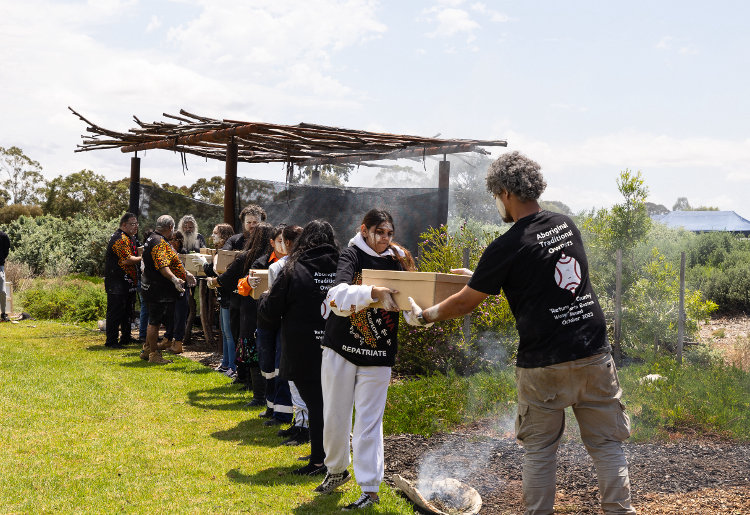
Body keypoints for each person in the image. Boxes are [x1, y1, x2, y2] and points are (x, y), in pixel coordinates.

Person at [405, 151, 635, 515]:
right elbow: (544, 279)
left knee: (540, 450)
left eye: (496, 195)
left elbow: (466, 304)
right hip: (594, 353)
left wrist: (425, 316)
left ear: (505, 193)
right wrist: (483, 280)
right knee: (608, 445)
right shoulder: (565, 225)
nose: (498, 202)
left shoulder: (506, 246)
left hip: (544, 364)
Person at [314, 208, 410, 511]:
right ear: (364, 229)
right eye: (379, 231)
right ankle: (337, 470)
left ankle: (370, 490)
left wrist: (426, 313)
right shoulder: (352, 254)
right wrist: (372, 292)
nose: (384, 238)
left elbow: (412, 301)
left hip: (379, 353)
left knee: (370, 423)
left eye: (388, 233)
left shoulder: (398, 259)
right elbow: (336, 295)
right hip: (341, 348)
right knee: (335, 416)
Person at [258, 220, 339, 476]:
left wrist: (263, 299)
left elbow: (271, 311)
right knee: (331, 404)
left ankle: (320, 461)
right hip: (339, 347)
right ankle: (327, 456)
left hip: (304, 348)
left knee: (316, 404)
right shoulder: (345, 266)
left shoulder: (294, 267)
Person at [140, 215, 196, 364]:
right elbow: (163, 267)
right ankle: (154, 354)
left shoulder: (153, 238)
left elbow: (172, 260)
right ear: (171, 227)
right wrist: (175, 279)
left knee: (153, 320)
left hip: (152, 287)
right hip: (157, 289)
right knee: (154, 322)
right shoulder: (158, 242)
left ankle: (147, 349)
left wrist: (185, 273)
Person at [204, 223, 237, 377]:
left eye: (215, 233)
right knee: (224, 332)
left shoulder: (229, 254)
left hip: (229, 297)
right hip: (223, 296)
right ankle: (225, 363)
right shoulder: (220, 252)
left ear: (224, 235)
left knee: (229, 333)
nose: (213, 236)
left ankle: (232, 366)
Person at [103, 213, 141, 347]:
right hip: (116, 282)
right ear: (124, 225)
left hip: (127, 282)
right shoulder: (120, 238)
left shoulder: (130, 237)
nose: (136, 226)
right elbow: (127, 260)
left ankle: (126, 337)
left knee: (127, 312)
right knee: (115, 312)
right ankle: (111, 341)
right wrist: (144, 258)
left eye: (137, 223)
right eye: (132, 224)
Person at [162, 230, 189, 352]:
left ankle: (178, 343)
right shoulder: (166, 252)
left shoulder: (183, 254)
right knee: (170, 314)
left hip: (181, 288)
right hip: (169, 288)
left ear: (179, 242)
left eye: (174, 240)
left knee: (180, 315)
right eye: (170, 240)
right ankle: (167, 339)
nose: (171, 242)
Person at [0, 227, 11, 322]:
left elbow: (6, 251)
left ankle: (3, 314)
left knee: (3, 291)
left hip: (0, 266)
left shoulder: (3, 236)